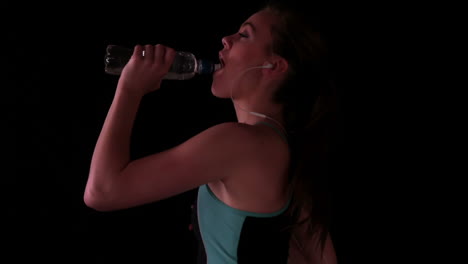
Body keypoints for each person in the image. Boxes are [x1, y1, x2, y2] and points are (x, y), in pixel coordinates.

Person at [84, 1, 341, 263]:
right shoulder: (282, 146)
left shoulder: (240, 142)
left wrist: (129, 89)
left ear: (273, 66)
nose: (225, 39)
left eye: (244, 35)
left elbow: (102, 192)